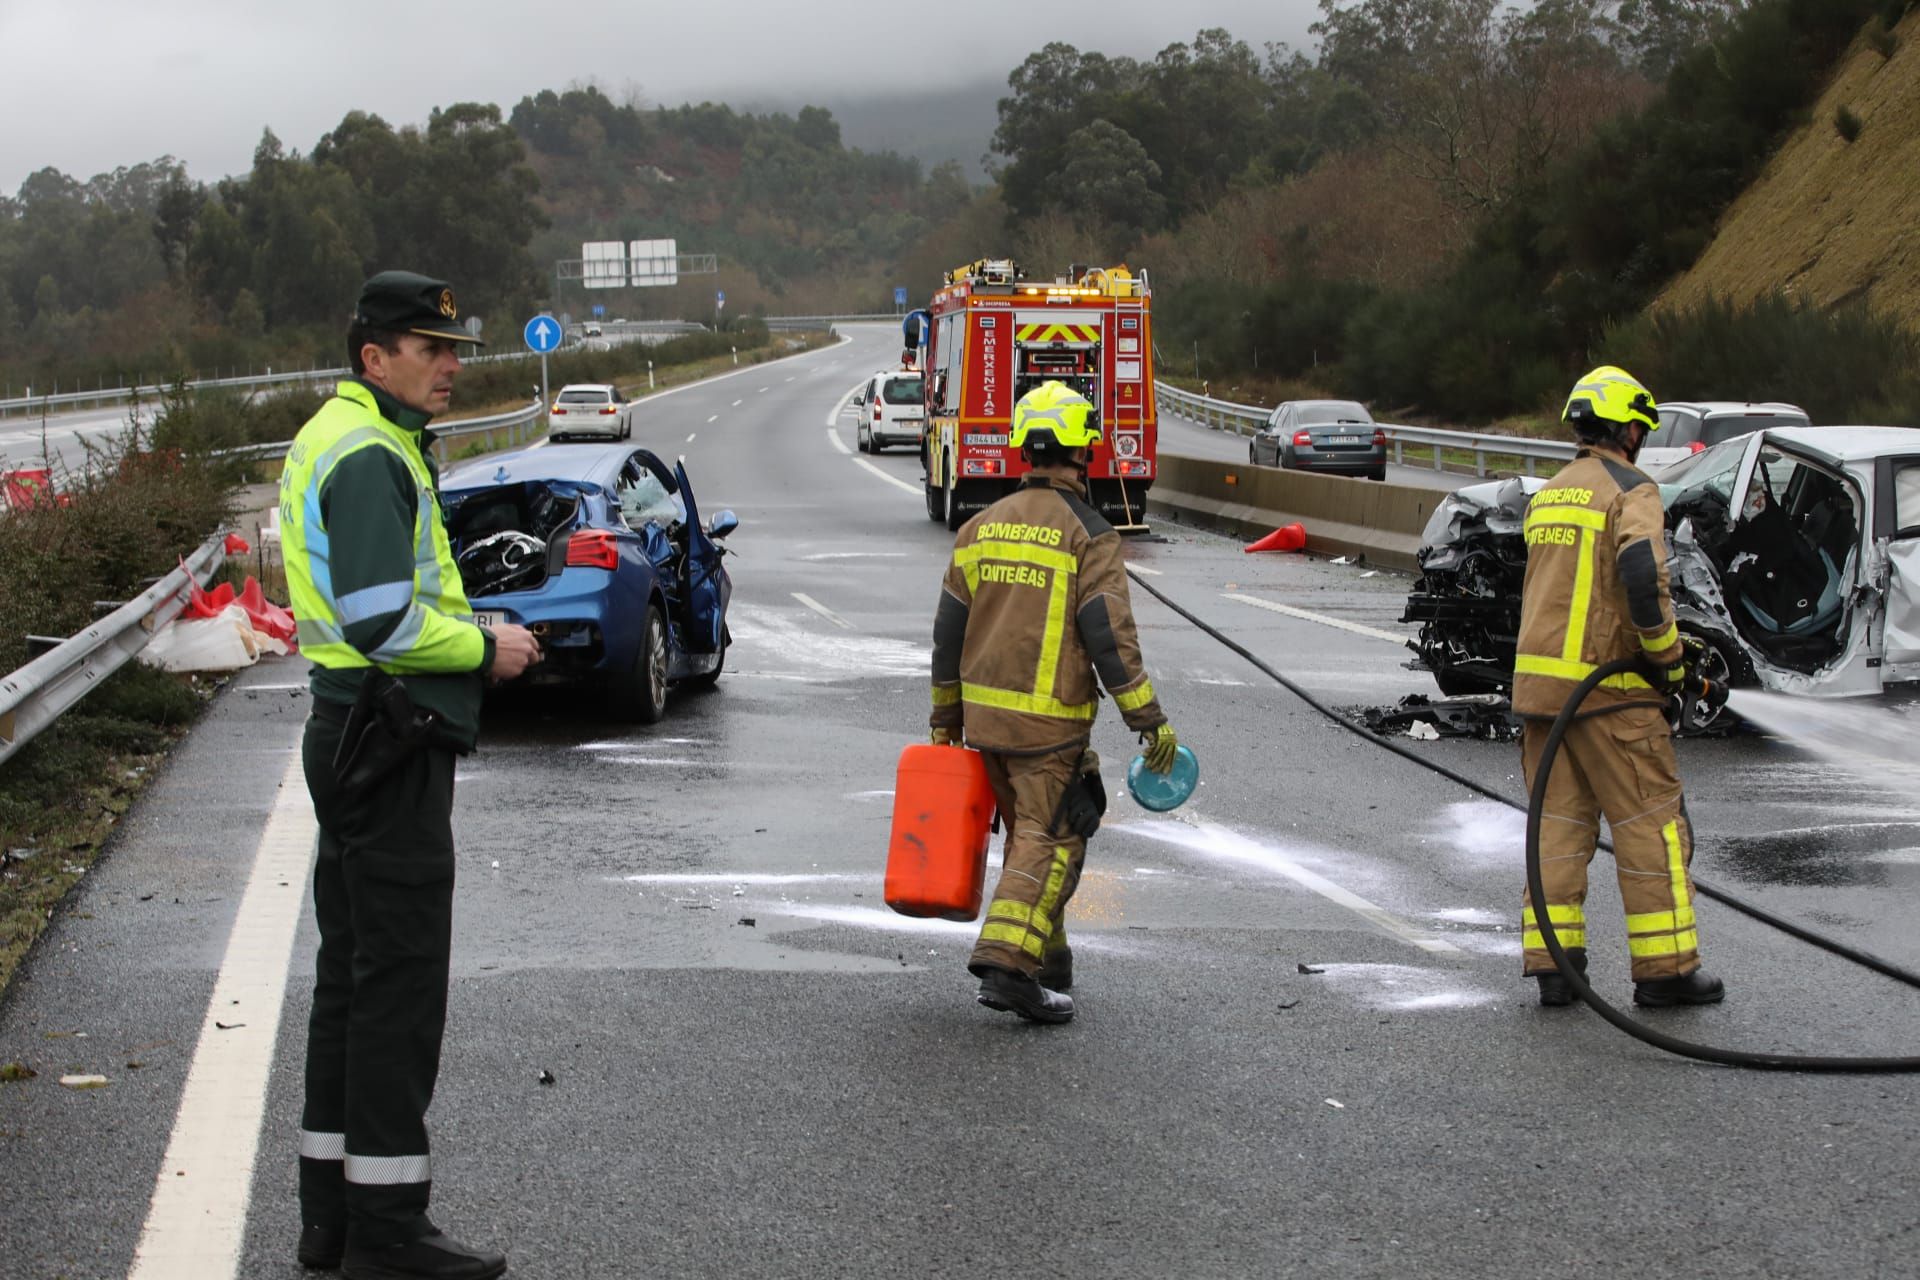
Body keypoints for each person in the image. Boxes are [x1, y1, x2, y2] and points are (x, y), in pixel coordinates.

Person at [282, 271, 541, 1279]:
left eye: (454, 347)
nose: (451, 364)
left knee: (350, 980)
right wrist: (488, 647)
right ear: (372, 356)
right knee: (395, 985)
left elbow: (373, 609)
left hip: (350, 728)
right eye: (430, 347)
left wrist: (470, 631)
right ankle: (388, 1232)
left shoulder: (344, 436)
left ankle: (332, 1217)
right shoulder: (370, 454)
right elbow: (385, 619)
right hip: (385, 737)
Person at [928, 380, 1178, 1024]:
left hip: (985, 725)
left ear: (1025, 451)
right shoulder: (1089, 535)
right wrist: (1147, 720)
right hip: (1049, 726)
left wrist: (945, 720)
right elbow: (1108, 635)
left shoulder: (977, 528)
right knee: (1057, 836)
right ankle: (1009, 964)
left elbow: (948, 633)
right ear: (1081, 454)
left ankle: (1051, 961)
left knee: (1025, 837)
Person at [1513, 365, 1724, 1010]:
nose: (1639, 437)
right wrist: (1670, 658)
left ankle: (1556, 967)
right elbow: (1640, 575)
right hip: (1613, 696)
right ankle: (1665, 972)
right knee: (1651, 828)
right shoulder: (1632, 489)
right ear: (1626, 428)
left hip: (1544, 698)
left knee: (1557, 831)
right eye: (1639, 426)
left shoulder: (1548, 494)